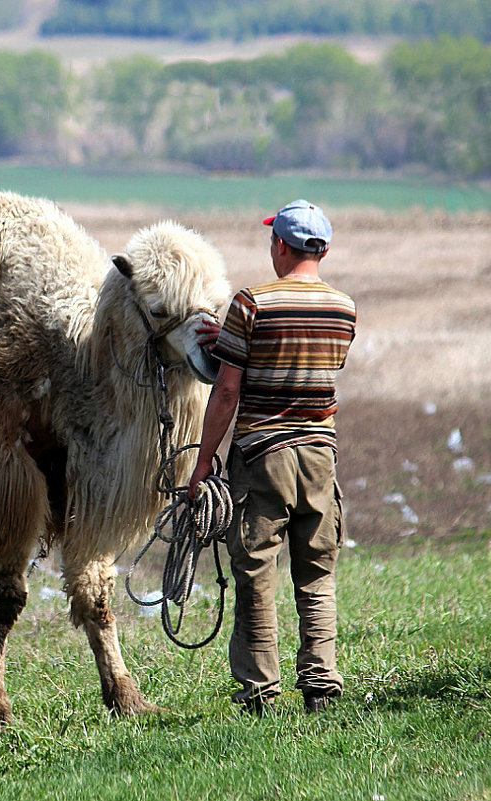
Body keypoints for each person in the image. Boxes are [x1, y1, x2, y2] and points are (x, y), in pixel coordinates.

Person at [188, 199, 356, 715]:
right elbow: (303, 361)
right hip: (319, 459)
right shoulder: (344, 308)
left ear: (279, 245)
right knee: (316, 571)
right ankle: (321, 686)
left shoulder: (250, 303)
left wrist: (199, 465)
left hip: (263, 457)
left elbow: (228, 391)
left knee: (257, 570)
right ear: (322, 249)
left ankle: (260, 692)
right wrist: (234, 342)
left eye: (272, 240)